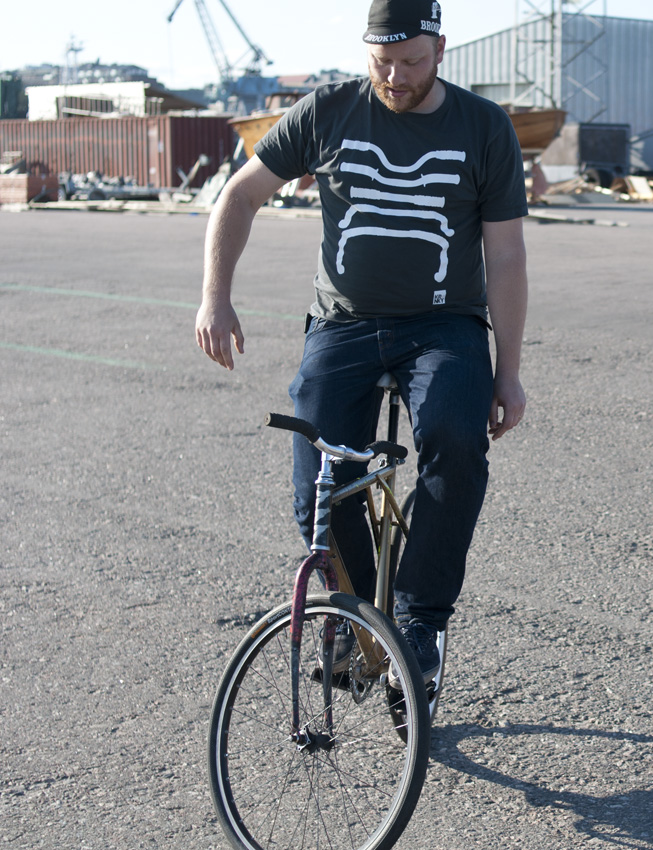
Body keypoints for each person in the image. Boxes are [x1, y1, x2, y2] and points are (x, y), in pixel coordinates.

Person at [194, 0, 528, 683]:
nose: (396, 77)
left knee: (456, 438)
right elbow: (240, 195)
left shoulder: (483, 126)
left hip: (444, 326)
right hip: (343, 324)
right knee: (319, 481)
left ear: (440, 49)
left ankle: (419, 621)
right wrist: (215, 296)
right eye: (382, 63)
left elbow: (506, 256)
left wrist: (509, 371)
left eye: (411, 62)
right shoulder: (327, 111)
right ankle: (353, 616)